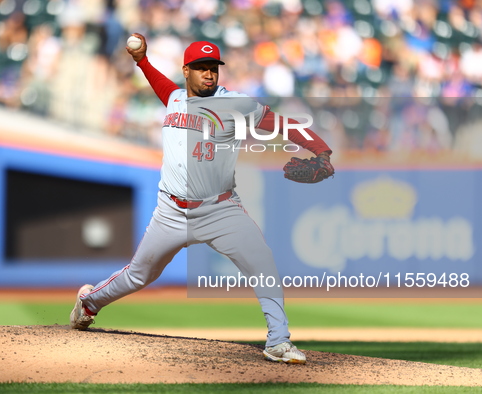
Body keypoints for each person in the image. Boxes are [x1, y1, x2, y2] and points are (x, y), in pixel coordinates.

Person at [70, 34, 334, 364]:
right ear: (187, 71)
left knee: (262, 263)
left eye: (213, 68)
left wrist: (321, 150)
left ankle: (278, 340)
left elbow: (285, 125)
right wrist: (142, 62)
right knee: (139, 275)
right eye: (200, 68)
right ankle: (90, 302)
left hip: (219, 209)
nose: (208, 74)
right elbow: (162, 87)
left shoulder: (236, 104)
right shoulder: (176, 98)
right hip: (170, 211)